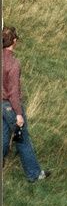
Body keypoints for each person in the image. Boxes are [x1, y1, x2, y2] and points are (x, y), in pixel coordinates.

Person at [2, 26, 50, 182]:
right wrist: (18, 114)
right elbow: (14, 93)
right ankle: (34, 174)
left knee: (3, 138)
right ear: (14, 41)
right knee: (23, 140)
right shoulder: (14, 64)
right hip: (9, 106)